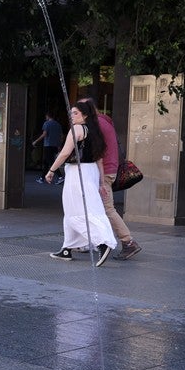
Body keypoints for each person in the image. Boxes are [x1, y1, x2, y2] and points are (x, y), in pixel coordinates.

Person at [44, 101, 116, 265]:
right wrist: (101, 182)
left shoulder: (76, 129)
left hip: (78, 172)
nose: (72, 115)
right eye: (71, 112)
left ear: (85, 115)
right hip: (90, 172)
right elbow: (99, 160)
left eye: (75, 113)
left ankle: (102, 242)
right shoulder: (94, 132)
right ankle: (67, 248)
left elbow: (64, 153)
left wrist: (51, 170)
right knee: (84, 210)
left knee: (76, 211)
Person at [78, 97, 141, 260]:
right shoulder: (104, 121)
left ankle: (128, 242)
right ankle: (90, 241)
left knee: (107, 209)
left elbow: (96, 150)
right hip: (109, 169)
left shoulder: (96, 124)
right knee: (93, 207)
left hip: (103, 171)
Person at [32, 112, 64, 184]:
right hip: (55, 145)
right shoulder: (58, 124)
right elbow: (61, 136)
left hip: (48, 145)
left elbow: (44, 134)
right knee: (46, 162)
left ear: (48, 116)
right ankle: (42, 178)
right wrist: (59, 145)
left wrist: (36, 141)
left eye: (46, 116)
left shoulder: (46, 124)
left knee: (50, 161)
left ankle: (60, 176)